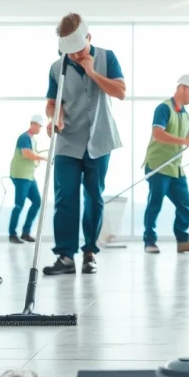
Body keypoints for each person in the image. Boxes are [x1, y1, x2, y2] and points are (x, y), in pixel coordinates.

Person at [42, 14, 127, 275]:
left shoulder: (107, 57)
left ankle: (89, 252)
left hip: (99, 140)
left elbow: (120, 92)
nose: (75, 57)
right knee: (65, 197)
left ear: (89, 38)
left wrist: (91, 72)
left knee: (94, 197)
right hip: (68, 142)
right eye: (70, 53)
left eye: (79, 51)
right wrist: (54, 118)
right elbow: (52, 103)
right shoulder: (57, 67)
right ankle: (65, 256)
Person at [142, 74, 189, 254]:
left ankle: (183, 241)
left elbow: (185, 138)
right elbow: (158, 134)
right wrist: (186, 142)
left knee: (185, 203)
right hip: (158, 166)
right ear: (182, 88)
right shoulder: (163, 109)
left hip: (176, 168)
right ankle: (149, 242)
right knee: (155, 204)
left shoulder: (185, 115)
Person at [8, 114, 46, 244]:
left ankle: (26, 233)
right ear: (33, 124)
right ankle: (12, 234)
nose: (40, 129)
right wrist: (43, 158)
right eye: (39, 126)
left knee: (37, 201)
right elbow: (27, 154)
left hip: (29, 176)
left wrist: (37, 160)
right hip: (20, 175)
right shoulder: (24, 138)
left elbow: (32, 156)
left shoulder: (33, 140)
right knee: (19, 204)